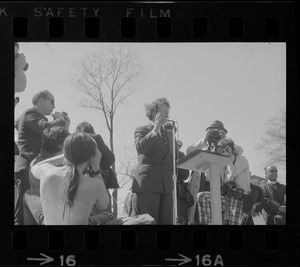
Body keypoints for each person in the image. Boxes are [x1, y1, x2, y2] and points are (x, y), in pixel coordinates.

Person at [14, 90, 70, 225]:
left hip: (37, 170)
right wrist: (59, 120)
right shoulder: (29, 113)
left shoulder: (33, 116)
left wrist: (65, 126)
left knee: (36, 209)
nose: (54, 106)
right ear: (41, 100)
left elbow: (53, 139)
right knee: (22, 211)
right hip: (27, 168)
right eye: (52, 102)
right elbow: (45, 128)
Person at [30, 132, 110, 225]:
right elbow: (104, 205)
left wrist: (66, 155)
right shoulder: (95, 184)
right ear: (92, 156)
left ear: (65, 150)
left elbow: (34, 167)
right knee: (107, 216)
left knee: (29, 194)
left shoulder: (47, 172)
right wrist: (96, 167)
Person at [185, 120, 243, 224]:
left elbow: (239, 151)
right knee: (198, 213)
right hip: (200, 184)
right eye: (212, 131)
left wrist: (224, 139)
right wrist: (206, 139)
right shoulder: (202, 143)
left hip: (217, 184)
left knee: (217, 212)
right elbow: (189, 151)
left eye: (219, 131)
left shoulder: (225, 144)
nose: (215, 134)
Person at [131, 97, 174, 224]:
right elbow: (140, 148)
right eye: (164, 111)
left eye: (168, 112)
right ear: (154, 112)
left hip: (166, 186)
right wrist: (155, 128)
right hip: (148, 184)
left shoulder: (169, 134)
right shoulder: (142, 130)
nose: (167, 114)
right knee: (149, 222)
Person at [23, 126, 69, 225]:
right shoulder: (50, 166)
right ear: (61, 146)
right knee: (29, 194)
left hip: (56, 214)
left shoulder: (36, 162)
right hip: (54, 216)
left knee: (28, 194)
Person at [75, 121, 119, 214]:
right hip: (88, 182)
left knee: (102, 213)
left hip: (99, 178)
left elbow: (110, 159)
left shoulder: (96, 140)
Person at [219, 138, 251, 225]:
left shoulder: (242, 159)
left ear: (233, 150)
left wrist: (229, 159)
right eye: (223, 149)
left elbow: (233, 174)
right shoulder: (225, 164)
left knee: (234, 223)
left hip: (240, 196)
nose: (225, 151)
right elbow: (225, 181)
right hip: (228, 196)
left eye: (228, 148)